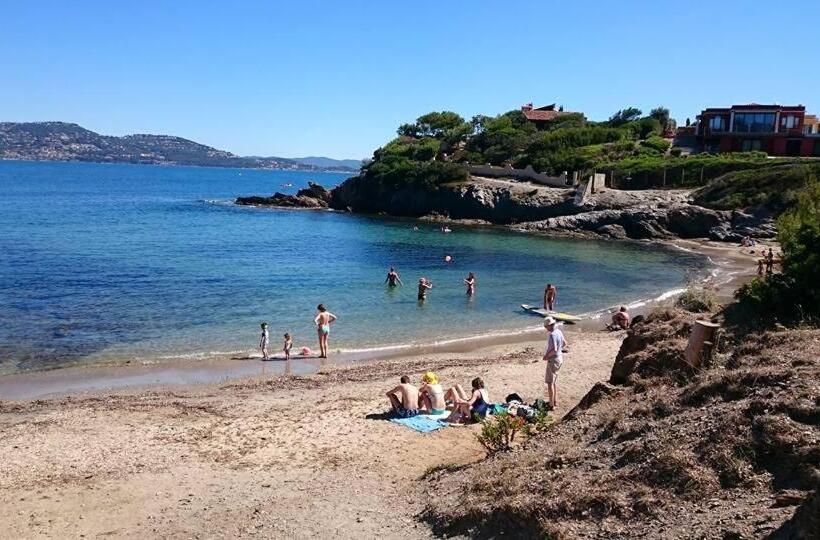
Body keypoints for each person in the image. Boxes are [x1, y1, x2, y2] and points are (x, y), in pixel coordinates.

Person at [543, 316, 565, 411]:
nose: (545, 328)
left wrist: (546, 356)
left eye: (546, 326)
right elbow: (564, 343)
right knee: (554, 381)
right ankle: (554, 400)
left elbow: (554, 350)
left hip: (553, 360)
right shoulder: (559, 331)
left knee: (550, 383)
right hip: (560, 358)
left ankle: (551, 405)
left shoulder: (552, 335)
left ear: (548, 326)